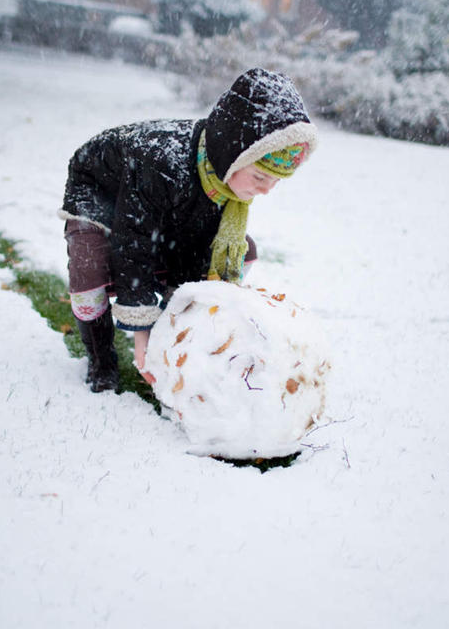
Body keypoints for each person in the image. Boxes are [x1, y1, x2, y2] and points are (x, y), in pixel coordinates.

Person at [59, 67, 318, 392]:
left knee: (242, 253)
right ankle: (101, 361)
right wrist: (143, 336)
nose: (267, 191)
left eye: (275, 181)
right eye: (260, 178)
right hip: (100, 191)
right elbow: (134, 244)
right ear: (233, 156)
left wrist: (183, 324)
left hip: (165, 202)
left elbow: (195, 254)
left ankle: (177, 341)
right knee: (89, 271)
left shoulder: (220, 184)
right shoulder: (159, 164)